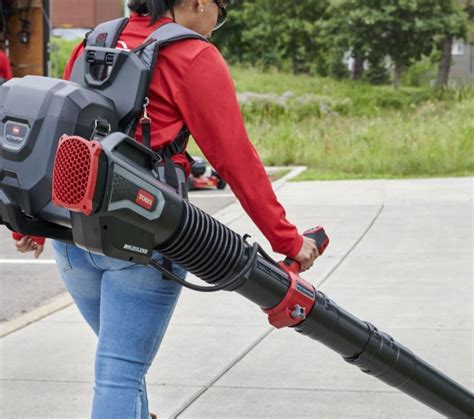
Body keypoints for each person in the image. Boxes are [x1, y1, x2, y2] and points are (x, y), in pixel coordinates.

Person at [13, 1, 319, 417]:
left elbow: (61, 131)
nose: (217, 21)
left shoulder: (96, 40)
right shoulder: (193, 55)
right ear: (198, 2)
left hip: (72, 234)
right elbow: (235, 158)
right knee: (119, 372)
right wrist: (288, 240)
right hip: (144, 236)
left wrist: (29, 222)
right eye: (221, 9)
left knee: (122, 368)